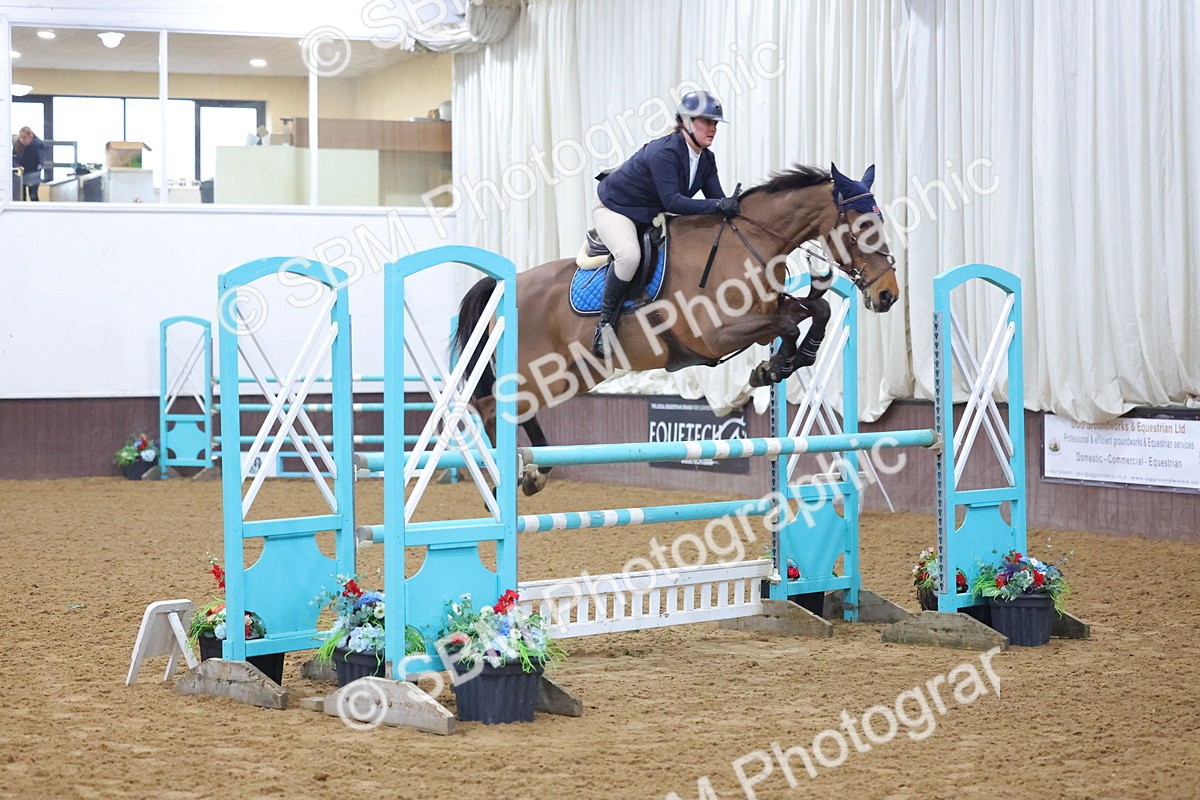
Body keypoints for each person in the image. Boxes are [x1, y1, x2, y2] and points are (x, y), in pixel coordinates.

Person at [591, 90, 739, 357]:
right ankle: (605, 326)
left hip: (648, 213)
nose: (713, 129)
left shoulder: (706, 159)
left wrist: (733, 208)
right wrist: (719, 206)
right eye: (707, 121)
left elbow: (716, 199)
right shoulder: (665, 152)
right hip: (616, 209)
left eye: (715, 123)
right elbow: (673, 202)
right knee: (629, 256)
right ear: (686, 122)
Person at [12, 126, 47, 201]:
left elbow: (42, 159)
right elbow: (14, 158)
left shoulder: (38, 144)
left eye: (24, 137)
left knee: (33, 195)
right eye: (21, 137)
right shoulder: (17, 144)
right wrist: (17, 166)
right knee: (21, 196)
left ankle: (36, 211)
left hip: (33, 172)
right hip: (21, 172)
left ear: (30, 136)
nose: (22, 140)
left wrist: (38, 169)